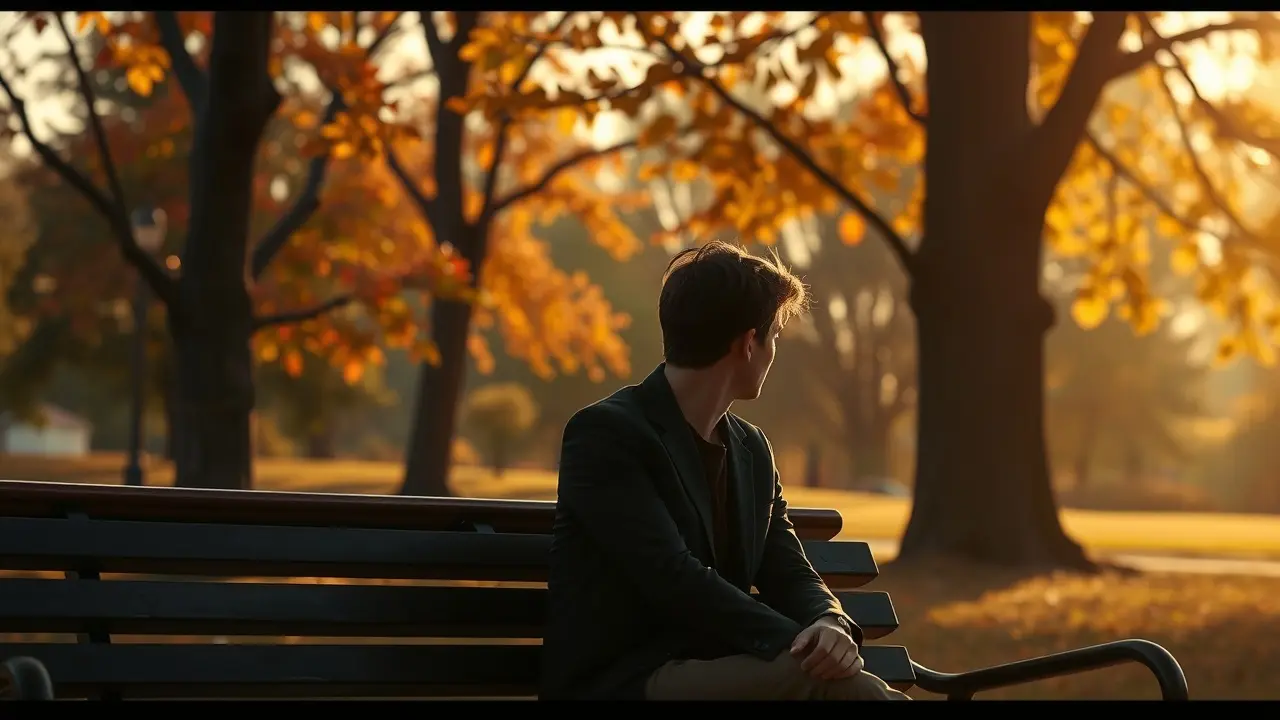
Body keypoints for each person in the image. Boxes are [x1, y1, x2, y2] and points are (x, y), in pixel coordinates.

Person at [540, 241, 911, 701]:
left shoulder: (752, 450)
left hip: (722, 669)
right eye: (774, 335)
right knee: (835, 689)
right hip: (626, 680)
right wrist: (801, 647)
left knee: (850, 690)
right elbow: (672, 576)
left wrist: (828, 621)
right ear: (747, 343)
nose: (774, 351)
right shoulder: (605, 434)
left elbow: (788, 567)